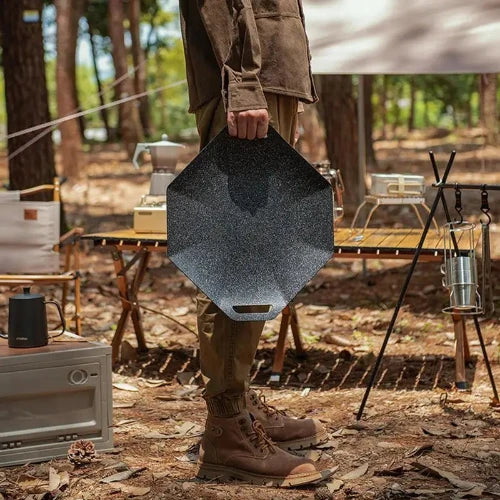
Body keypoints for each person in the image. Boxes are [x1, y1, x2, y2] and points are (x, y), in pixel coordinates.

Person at [180, 0, 328, 487]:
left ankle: (238, 403)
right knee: (240, 253)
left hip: (267, 80)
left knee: (259, 254)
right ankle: (226, 431)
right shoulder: (243, 83)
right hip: (246, 83)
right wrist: (243, 84)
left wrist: (285, 88)